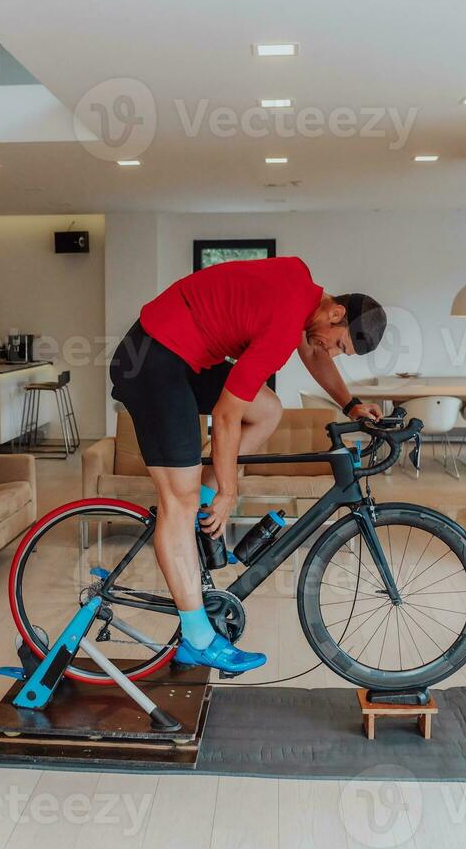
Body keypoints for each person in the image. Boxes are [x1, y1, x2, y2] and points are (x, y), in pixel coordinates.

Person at [109, 256, 387, 674]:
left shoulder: (302, 294)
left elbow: (312, 353)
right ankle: (198, 639)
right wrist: (229, 490)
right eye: (340, 345)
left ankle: (198, 510)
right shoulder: (284, 323)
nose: (334, 353)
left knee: (268, 409)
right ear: (336, 314)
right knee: (177, 504)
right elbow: (225, 417)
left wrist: (348, 404)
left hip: (182, 357)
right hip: (151, 360)